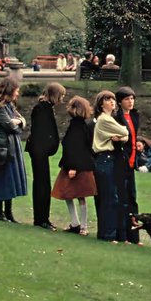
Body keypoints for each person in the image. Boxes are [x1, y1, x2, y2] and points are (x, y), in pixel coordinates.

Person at [0, 78, 28, 222]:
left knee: (11, 176)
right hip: (1, 146)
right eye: (16, 91)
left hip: (12, 145)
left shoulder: (10, 106)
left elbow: (21, 121)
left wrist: (18, 121)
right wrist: (17, 122)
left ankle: (8, 211)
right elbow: (10, 126)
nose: (17, 94)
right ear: (9, 91)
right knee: (2, 177)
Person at [53, 95, 97, 234]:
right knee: (74, 195)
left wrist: (73, 167)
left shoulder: (77, 126)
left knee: (74, 194)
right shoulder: (82, 124)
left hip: (75, 166)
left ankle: (80, 225)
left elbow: (75, 147)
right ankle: (77, 224)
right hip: (79, 165)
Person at [27, 82, 65, 230]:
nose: (61, 99)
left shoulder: (45, 108)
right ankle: (41, 218)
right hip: (39, 151)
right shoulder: (42, 109)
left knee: (43, 184)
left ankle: (43, 217)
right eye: (60, 96)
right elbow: (41, 132)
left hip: (41, 151)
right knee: (41, 184)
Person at [92, 89, 129, 241]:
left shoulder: (109, 119)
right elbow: (124, 131)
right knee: (109, 198)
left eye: (113, 99)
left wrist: (121, 138)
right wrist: (122, 136)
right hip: (104, 159)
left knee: (108, 197)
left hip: (108, 159)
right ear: (101, 104)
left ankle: (106, 232)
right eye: (108, 100)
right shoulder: (104, 119)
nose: (112, 102)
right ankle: (108, 234)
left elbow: (125, 137)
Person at [113, 86, 144, 244]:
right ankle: (122, 235)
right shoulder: (117, 118)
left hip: (132, 162)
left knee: (132, 198)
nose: (131, 102)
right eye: (127, 99)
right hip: (121, 163)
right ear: (120, 102)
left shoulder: (134, 116)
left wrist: (139, 143)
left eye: (132, 98)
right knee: (122, 198)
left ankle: (134, 236)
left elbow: (134, 136)